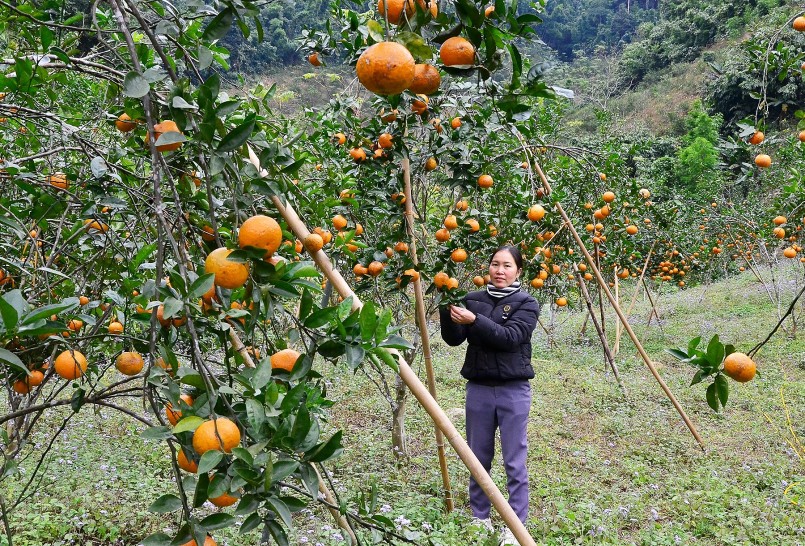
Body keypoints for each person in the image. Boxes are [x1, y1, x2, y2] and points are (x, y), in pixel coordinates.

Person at [439, 245, 540, 544]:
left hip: (513, 390)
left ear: (518, 271)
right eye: (495, 264)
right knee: (478, 457)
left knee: (514, 460)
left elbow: (510, 338)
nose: (499, 271)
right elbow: (453, 339)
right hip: (479, 389)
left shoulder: (527, 303)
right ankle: (479, 518)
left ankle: (515, 525)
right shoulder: (473, 299)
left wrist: (474, 321)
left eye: (507, 266)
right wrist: (448, 308)